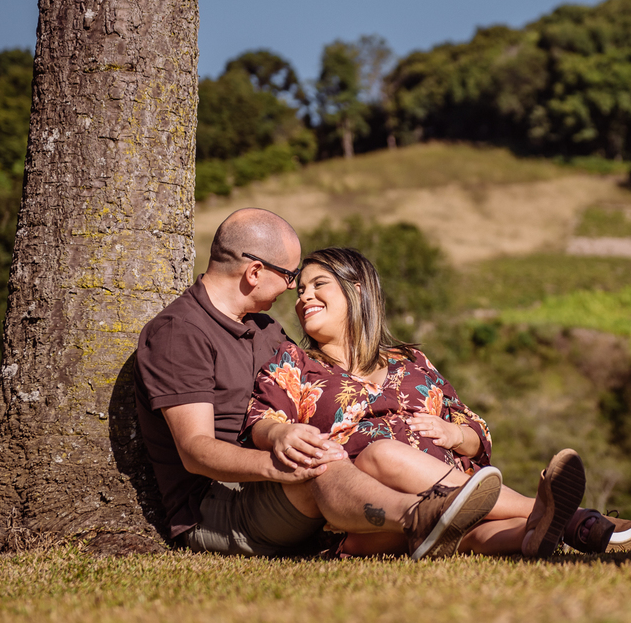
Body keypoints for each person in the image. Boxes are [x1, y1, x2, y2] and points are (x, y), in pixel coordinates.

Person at [242, 246, 631, 556]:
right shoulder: (294, 361)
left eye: (318, 285)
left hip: (450, 512)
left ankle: (536, 534)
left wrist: (455, 432)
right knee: (384, 453)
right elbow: (261, 417)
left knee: (480, 534)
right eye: (299, 291)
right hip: (368, 517)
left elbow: (477, 432)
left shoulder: (410, 360)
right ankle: (573, 517)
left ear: (357, 290)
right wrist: (280, 431)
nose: (303, 298)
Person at [134, 208, 501, 560]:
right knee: (322, 463)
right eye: (290, 276)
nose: (294, 288)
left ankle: (522, 519)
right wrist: (281, 463)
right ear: (255, 272)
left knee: (327, 458)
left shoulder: (265, 331)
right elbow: (196, 450)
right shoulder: (179, 333)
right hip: (218, 502)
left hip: (279, 489)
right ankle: (420, 516)